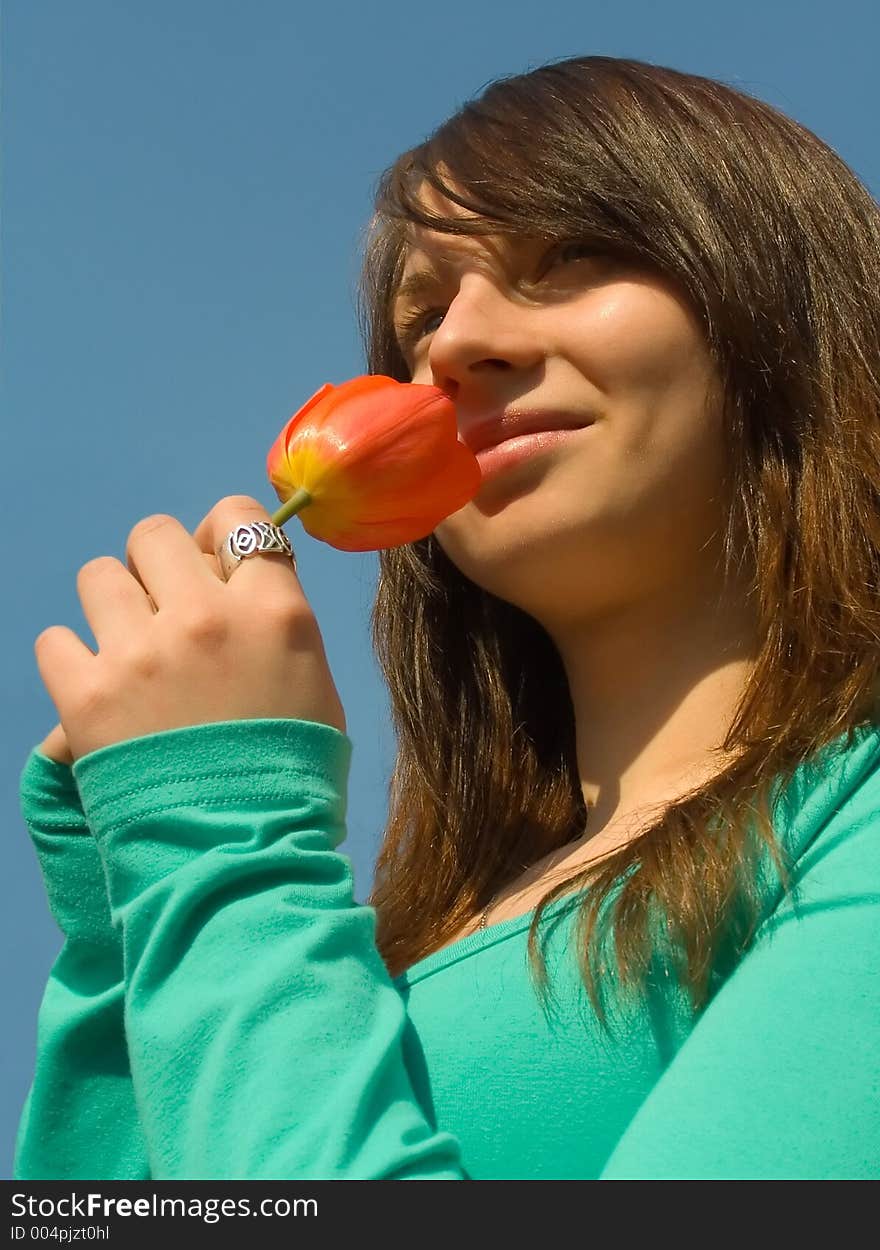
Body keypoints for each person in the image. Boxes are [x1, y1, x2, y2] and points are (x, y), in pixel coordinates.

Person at [15, 54, 880, 1180]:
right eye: (420, 312)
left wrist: (220, 837)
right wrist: (136, 905)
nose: (455, 344)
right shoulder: (359, 954)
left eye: (571, 254)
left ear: (786, 300)